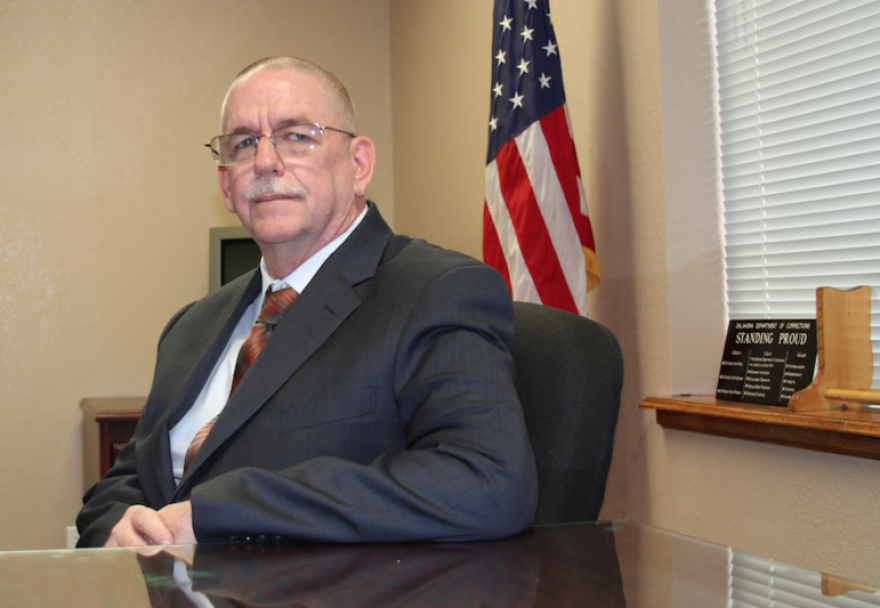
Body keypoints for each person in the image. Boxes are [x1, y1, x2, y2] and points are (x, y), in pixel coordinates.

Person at [76, 57, 538, 548]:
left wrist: (219, 514)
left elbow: (489, 480)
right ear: (225, 186)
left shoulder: (436, 290)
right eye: (244, 143)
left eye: (297, 135)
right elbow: (125, 482)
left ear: (358, 165)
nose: (266, 161)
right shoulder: (191, 325)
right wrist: (117, 531)